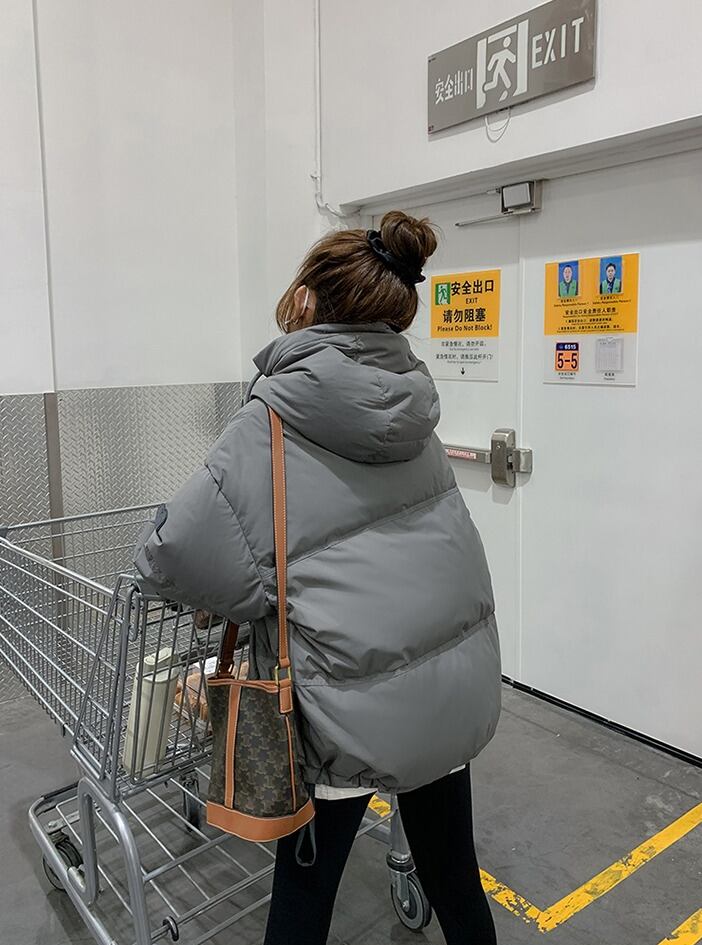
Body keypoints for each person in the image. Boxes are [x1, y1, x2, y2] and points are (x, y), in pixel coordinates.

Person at [133, 211, 501, 945]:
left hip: (341, 708)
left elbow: (172, 554)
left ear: (306, 298)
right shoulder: (416, 411)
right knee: (456, 880)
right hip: (449, 695)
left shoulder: (270, 421)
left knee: (304, 893)